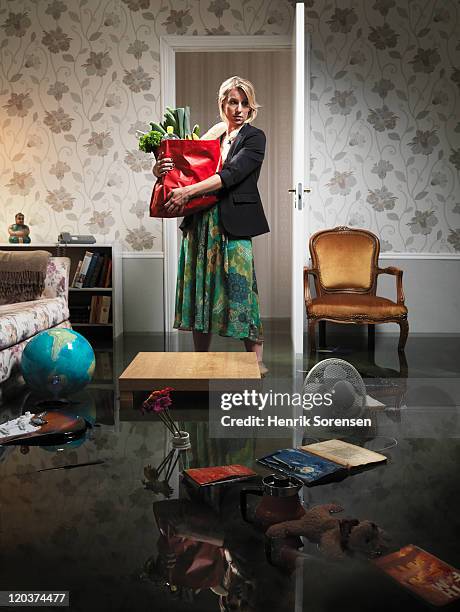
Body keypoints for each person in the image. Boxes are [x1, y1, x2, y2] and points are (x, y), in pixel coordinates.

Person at [152, 76, 269, 375]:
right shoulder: (213, 135)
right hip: (200, 222)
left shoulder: (255, 138)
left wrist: (188, 192)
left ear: (251, 107)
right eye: (233, 102)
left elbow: (231, 175)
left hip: (234, 223)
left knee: (241, 289)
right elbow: (187, 171)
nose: (239, 109)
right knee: (200, 286)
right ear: (223, 104)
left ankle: (256, 363)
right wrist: (159, 168)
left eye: (245, 103)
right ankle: (199, 361)